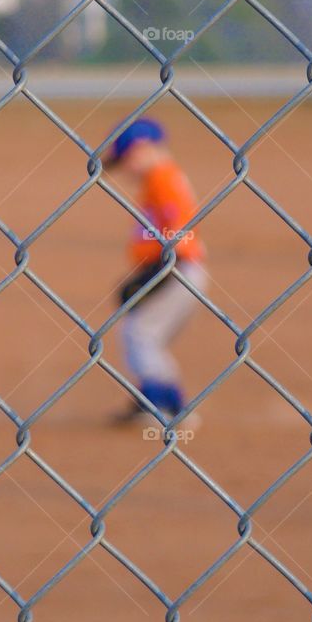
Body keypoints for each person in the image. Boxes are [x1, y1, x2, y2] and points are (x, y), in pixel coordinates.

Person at [107, 118, 207, 428]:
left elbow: (176, 230)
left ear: (142, 150)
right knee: (146, 334)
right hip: (176, 268)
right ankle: (162, 402)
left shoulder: (162, 178)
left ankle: (161, 405)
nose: (125, 169)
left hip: (175, 268)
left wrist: (154, 274)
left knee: (140, 333)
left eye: (127, 160)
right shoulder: (160, 178)